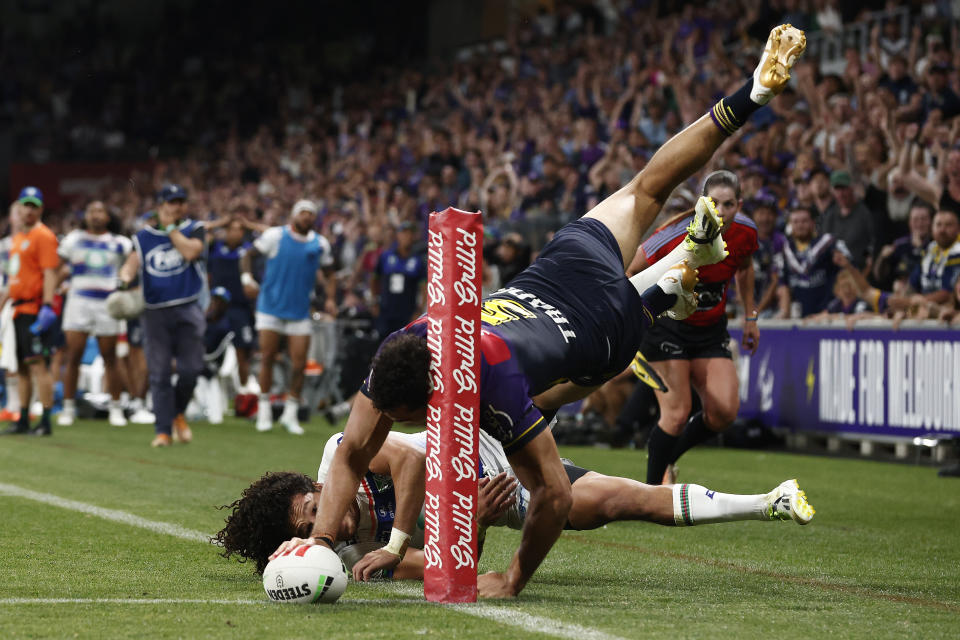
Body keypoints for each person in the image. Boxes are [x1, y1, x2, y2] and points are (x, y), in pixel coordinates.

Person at [269, 25, 808, 599]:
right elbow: (354, 448)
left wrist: (511, 579)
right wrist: (322, 539)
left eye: (402, 415)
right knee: (645, 189)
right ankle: (751, 93)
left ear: (418, 400)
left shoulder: (488, 385)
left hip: (596, 328)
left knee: (558, 392)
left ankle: (671, 281)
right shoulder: (411, 339)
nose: (398, 422)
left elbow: (553, 494)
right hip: (553, 272)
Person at [214, 429, 815, 579]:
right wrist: (470, 520)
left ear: (310, 489)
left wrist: (400, 537)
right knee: (612, 502)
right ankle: (768, 501)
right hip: (506, 492)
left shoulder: (337, 458)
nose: (325, 516)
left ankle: (663, 288)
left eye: (310, 505)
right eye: (307, 523)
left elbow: (411, 461)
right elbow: (457, 570)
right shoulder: (352, 560)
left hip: (489, 429)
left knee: (573, 369)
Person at [626, 170, 760, 486]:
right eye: (715, 203)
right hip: (665, 329)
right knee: (676, 413)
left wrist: (750, 316)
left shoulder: (745, 233)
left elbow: (745, 267)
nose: (723, 212)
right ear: (703, 204)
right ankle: (651, 493)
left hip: (709, 330)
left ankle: (667, 456)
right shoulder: (674, 235)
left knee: (724, 413)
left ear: (739, 205)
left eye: (729, 204)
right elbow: (631, 269)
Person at [119, 184, 206, 447]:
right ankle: (163, 431)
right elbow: (130, 267)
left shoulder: (194, 228)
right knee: (158, 373)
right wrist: (123, 281)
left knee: (191, 370)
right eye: (172, 202)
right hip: (154, 312)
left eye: (181, 201)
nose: (177, 206)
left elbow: (191, 252)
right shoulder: (142, 238)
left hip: (188, 307)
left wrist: (171, 230)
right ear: (160, 206)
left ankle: (177, 412)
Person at [240, 199, 336, 435]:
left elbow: (330, 272)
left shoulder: (320, 244)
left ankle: (290, 414)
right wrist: (247, 279)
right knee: (268, 357)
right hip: (269, 308)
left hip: (299, 311)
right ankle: (263, 412)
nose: (307, 217)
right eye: (303, 212)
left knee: (300, 363)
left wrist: (331, 298)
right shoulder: (275, 236)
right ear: (294, 215)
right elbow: (247, 255)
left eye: (311, 214)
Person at [56, 201, 132, 427]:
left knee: (110, 356)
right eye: (91, 211)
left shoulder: (121, 243)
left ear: (108, 217)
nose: (96, 215)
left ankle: (116, 408)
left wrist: (126, 286)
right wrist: (54, 290)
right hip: (78, 302)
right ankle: (68, 408)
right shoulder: (73, 239)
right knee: (73, 356)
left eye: (101, 211)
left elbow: (131, 269)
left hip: (108, 304)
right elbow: (58, 267)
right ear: (85, 216)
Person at [0, 187, 60, 436]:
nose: (29, 210)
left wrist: (47, 306)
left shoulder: (43, 236)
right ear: (19, 207)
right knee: (23, 367)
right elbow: (14, 277)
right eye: (26, 204)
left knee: (38, 365)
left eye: (34, 205)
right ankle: (23, 418)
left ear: (41, 209)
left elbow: (49, 273)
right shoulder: (18, 239)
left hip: (35, 308)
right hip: (18, 309)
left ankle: (45, 421)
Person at [207, 211, 259, 391]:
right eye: (231, 229)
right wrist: (220, 221)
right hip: (216, 308)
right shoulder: (215, 248)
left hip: (240, 308)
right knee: (207, 348)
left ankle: (244, 391)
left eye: (239, 230)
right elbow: (195, 230)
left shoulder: (249, 251)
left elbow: (274, 233)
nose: (235, 233)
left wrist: (251, 224)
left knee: (242, 350)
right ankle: (207, 385)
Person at [775, 205, 851, 318]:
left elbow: (849, 271)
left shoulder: (829, 243)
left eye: (804, 221)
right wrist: (784, 312)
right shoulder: (786, 250)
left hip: (828, 314)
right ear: (790, 225)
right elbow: (783, 284)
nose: (800, 225)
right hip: (800, 317)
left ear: (813, 223)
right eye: (795, 222)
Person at [371, 220, 426, 339]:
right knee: (383, 343)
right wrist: (374, 301)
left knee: (404, 344)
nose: (407, 237)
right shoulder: (386, 257)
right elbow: (374, 278)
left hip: (407, 312)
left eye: (410, 233)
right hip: (386, 310)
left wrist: (419, 310)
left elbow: (424, 288)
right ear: (398, 235)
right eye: (404, 233)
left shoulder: (417, 261)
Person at [819, 170, 876, 271]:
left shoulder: (865, 212)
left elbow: (874, 240)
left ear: (852, 188)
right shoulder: (830, 215)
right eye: (837, 189)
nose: (841, 194)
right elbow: (824, 244)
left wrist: (868, 255)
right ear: (832, 191)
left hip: (860, 271)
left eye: (844, 188)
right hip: (835, 272)